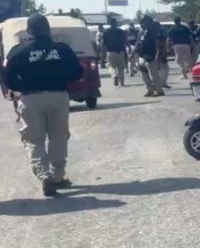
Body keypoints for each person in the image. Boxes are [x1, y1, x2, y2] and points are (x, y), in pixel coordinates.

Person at [2, 15, 83, 197]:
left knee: (33, 140)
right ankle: (57, 176)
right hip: (58, 96)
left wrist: (18, 86)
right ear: (48, 30)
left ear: (29, 31)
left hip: (30, 98)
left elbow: (7, 77)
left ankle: (44, 176)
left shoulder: (18, 52)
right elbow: (77, 72)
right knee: (59, 137)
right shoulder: (62, 50)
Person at [137, 16, 165, 97]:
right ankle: (149, 90)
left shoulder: (154, 31)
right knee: (144, 75)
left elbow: (158, 44)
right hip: (142, 56)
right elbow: (139, 42)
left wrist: (157, 55)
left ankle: (159, 90)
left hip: (151, 55)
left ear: (149, 22)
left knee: (154, 75)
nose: (143, 23)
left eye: (145, 21)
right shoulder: (143, 31)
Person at [102, 17, 128, 86]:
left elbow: (103, 44)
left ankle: (114, 75)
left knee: (110, 66)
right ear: (116, 24)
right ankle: (122, 83)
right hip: (120, 51)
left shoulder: (106, 32)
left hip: (110, 52)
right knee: (120, 67)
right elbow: (125, 40)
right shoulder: (121, 31)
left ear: (110, 24)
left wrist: (103, 53)